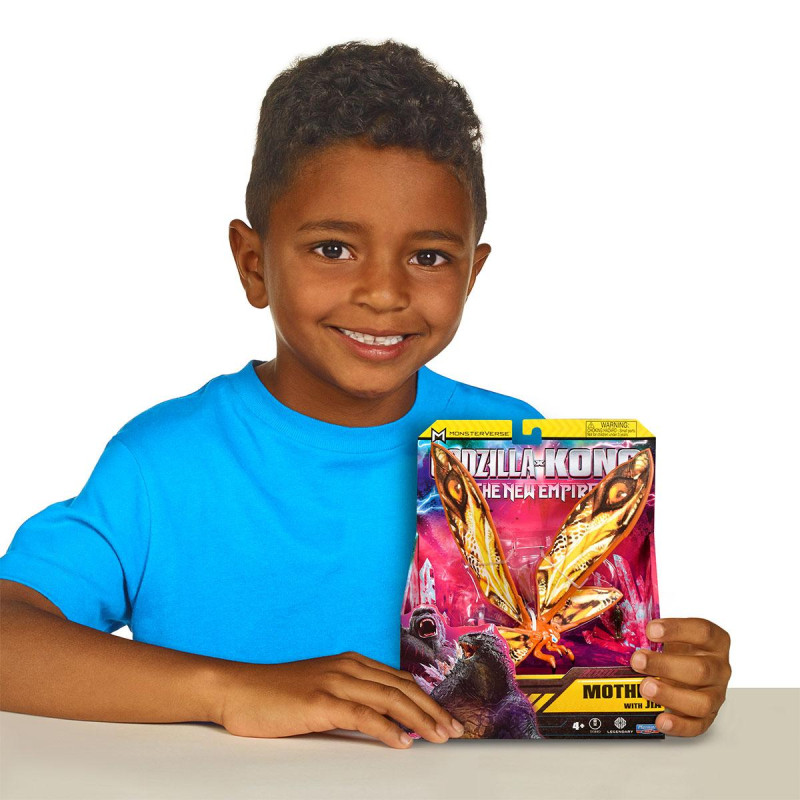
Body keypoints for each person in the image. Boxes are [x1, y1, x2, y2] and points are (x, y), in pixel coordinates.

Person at [0, 40, 731, 748]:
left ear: (472, 274)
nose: (384, 291)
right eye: (333, 249)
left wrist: (662, 681)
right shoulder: (161, 464)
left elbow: (568, 670)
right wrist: (233, 691)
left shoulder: (513, 448)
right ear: (253, 264)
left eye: (429, 256)